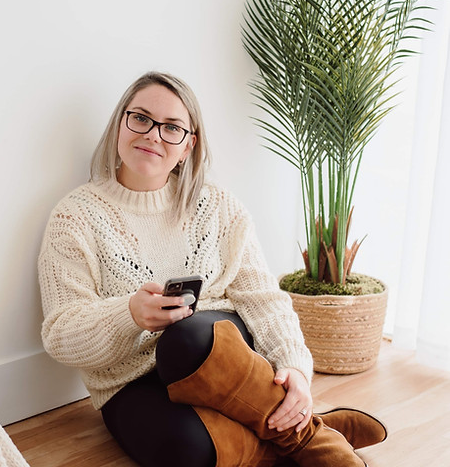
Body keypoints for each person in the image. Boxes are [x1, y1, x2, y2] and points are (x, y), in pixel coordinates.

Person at [38, 72, 386, 466]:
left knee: (183, 340)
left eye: (172, 128)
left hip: (214, 353)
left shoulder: (218, 206)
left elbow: (263, 298)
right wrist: (129, 315)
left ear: (188, 145)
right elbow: (60, 333)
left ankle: (313, 441)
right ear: (121, 122)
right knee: (189, 453)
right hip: (131, 383)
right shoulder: (74, 216)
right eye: (140, 118)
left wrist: (295, 369)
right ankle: (305, 432)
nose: (153, 135)